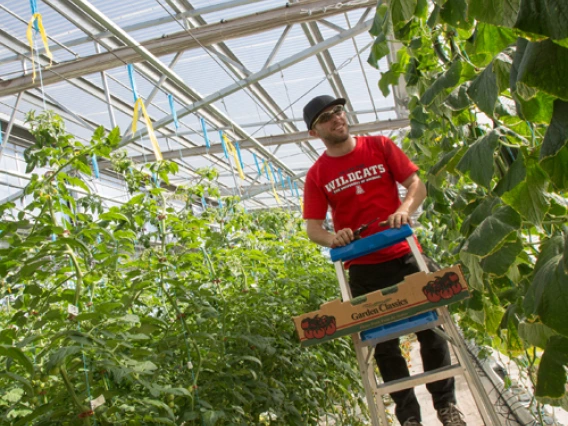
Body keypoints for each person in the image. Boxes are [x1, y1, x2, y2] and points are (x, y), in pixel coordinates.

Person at [301, 95, 467, 426]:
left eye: (338, 111)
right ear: (314, 132)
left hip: (405, 256)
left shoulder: (379, 146)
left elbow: (416, 185)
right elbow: (313, 228)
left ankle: (446, 406)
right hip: (363, 268)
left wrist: (404, 210)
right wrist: (333, 237)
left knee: (432, 332)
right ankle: (408, 416)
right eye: (326, 117)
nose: (336, 118)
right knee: (384, 346)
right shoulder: (317, 174)